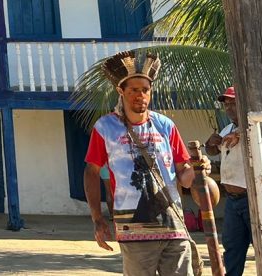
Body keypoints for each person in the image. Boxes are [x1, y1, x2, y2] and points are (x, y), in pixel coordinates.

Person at [83, 51, 206, 276]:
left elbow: (183, 173)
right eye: (134, 90)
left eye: (145, 90)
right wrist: (97, 218)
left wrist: (198, 170)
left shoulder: (165, 125)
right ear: (121, 91)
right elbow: (91, 172)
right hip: (133, 227)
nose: (141, 95)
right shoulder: (105, 128)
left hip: (173, 224)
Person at [205, 86, 251, 276]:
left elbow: (258, 134)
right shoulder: (227, 128)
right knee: (232, 248)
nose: (230, 108)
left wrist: (241, 135)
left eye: (234, 103)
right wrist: (210, 143)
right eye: (227, 104)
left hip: (251, 199)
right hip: (232, 200)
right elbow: (212, 151)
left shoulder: (253, 126)